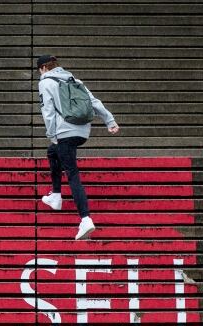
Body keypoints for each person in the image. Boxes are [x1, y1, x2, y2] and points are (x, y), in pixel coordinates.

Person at [36, 55, 120, 240]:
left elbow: (48, 111)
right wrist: (109, 120)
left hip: (64, 132)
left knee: (72, 173)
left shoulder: (46, 83)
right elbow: (94, 102)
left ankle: (85, 219)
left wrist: (52, 135)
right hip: (81, 131)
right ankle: (56, 195)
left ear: (43, 68)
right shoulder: (74, 79)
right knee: (52, 152)